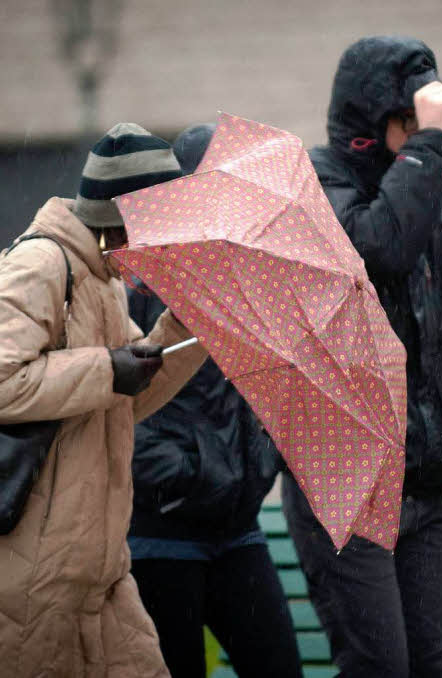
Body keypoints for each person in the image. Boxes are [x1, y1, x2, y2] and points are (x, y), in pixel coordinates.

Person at [0, 123, 208, 678]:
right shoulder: (42, 263)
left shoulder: (104, 280)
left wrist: (190, 328)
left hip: (95, 578)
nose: (168, 243)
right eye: (161, 224)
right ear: (123, 218)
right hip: (17, 581)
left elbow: (118, 400)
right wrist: (105, 368)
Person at [281, 35, 442, 678]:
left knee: (431, 668)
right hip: (345, 480)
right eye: (409, 123)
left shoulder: (437, 194)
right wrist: (430, 148)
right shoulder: (314, 188)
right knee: (380, 668)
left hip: (425, 477)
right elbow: (380, 247)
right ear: (370, 128)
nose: (423, 135)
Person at [126, 123, 303, 678]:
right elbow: (124, 403)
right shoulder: (141, 281)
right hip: (162, 531)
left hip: (236, 525)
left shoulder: (255, 282)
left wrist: (261, 459)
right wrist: (177, 475)